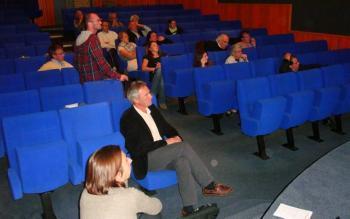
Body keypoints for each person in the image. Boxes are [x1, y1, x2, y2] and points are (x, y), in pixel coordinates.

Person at [120, 81, 233, 218]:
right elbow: (137, 149)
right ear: (136, 100)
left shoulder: (152, 109)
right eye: (146, 94)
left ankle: (188, 208)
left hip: (163, 154)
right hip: (147, 158)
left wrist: (176, 138)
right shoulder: (128, 119)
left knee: (182, 161)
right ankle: (209, 185)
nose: (151, 96)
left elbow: (168, 128)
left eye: (150, 92)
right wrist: (167, 142)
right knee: (183, 147)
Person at [80, 145, 162, 219]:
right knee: (155, 215)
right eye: (126, 161)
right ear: (118, 175)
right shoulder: (131, 195)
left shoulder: (85, 192)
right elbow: (157, 207)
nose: (130, 160)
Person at [74, 13, 128, 82]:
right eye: (98, 20)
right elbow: (101, 63)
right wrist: (118, 76)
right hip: (96, 82)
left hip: (84, 82)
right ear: (89, 23)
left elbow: (76, 63)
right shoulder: (92, 39)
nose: (100, 22)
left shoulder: (78, 38)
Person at [141, 42, 167, 110]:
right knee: (159, 72)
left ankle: (151, 96)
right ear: (150, 48)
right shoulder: (147, 57)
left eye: (157, 45)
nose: (156, 46)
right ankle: (162, 102)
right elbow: (143, 68)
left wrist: (163, 65)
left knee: (161, 72)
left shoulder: (163, 54)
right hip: (154, 75)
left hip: (165, 75)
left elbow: (170, 64)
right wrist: (154, 68)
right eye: (154, 45)